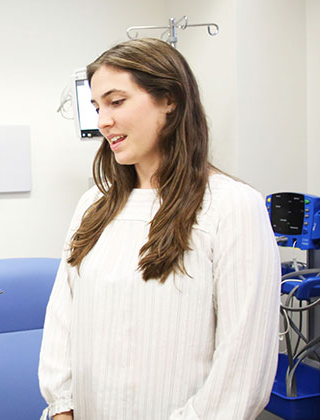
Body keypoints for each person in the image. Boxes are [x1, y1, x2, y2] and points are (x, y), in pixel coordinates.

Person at [38, 38, 279, 420]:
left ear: (170, 99)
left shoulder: (233, 208)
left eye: (116, 102)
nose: (102, 121)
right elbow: (61, 321)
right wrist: (62, 409)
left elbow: (241, 371)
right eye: (97, 107)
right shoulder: (93, 206)